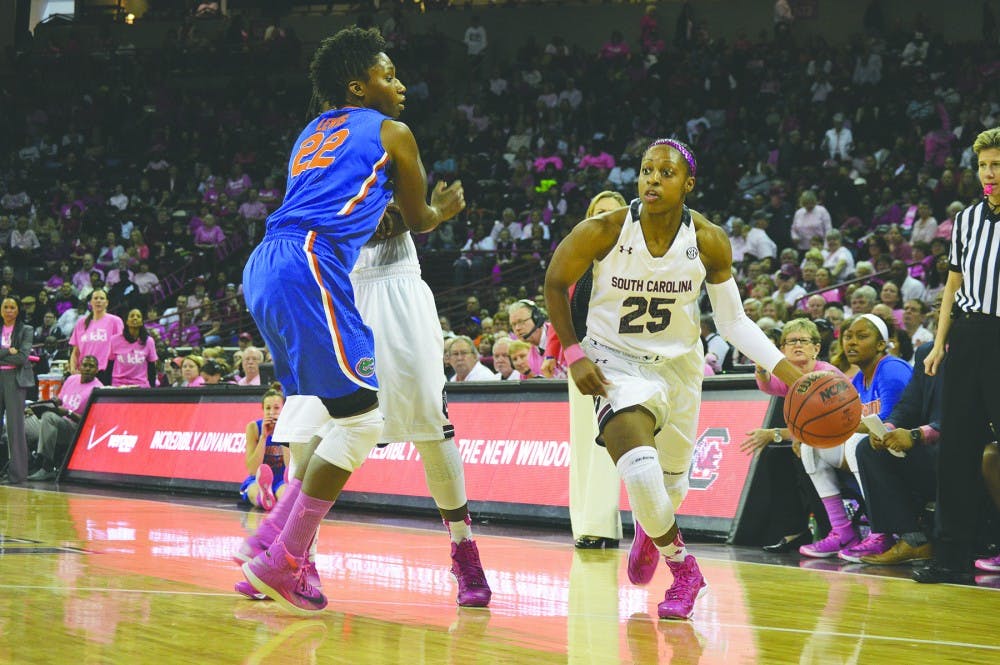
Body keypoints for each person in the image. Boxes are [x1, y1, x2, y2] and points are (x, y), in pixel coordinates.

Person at [236, 28, 467, 613]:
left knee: (339, 416)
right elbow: (420, 219)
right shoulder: (394, 132)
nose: (401, 85)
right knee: (362, 422)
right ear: (359, 85)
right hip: (312, 264)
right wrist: (446, 207)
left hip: (265, 264)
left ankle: (272, 544)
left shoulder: (310, 133)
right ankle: (284, 558)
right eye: (389, 76)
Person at [544, 139, 802, 620]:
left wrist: (788, 371)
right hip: (614, 360)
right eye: (645, 171)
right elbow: (555, 283)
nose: (652, 180)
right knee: (638, 469)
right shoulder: (603, 230)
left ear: (688, 184)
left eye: (665, 173)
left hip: (680, 366)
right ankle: (685, 569)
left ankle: (651, 527)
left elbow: (733, 322)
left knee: (668, 487)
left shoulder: (708, 239)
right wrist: (575, 352)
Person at [349, 200, 491, 605]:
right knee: (317, 430)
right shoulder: (315, 158)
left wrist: (427, 213)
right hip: (345, 293)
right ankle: (296, 551)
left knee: (432, 428)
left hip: (400, 294)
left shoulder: (392, 139)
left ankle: (464, 551)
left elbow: (395, 222)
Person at [917, 127, 1000, 584]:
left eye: (997, 165)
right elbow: (953, 285)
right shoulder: (966, 220)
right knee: (956, 451)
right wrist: (938, 341)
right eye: (984, 165)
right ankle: (950, 556)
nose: (989, 173)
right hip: (967, 338)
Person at [797, 314, 912, 561]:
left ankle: (881, 531)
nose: (851, 343)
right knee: (810, 445)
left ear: (881, 344)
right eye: (848, 336)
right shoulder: (857, 379)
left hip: (906, 447)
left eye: (862, 336)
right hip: (874, 452)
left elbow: (893, 421)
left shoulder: (892, 369)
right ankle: (842, 530)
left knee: (855, 443)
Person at [740, 319, 843, 552]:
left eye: (803, 341)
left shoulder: (825, 374)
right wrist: (761, 365)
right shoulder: (792, 376)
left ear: (816, 348)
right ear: (782, 350)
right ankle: (795, 530)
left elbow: (825, 426)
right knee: (775, 458)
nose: (797, 346)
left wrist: (775, 433)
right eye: (791, 341)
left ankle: (831, 531)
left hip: (837, 441)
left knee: (802, 454)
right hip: (811, 441)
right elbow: (767, 385)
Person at [568, 191, 627, 550]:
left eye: (611, 212)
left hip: (617, 361)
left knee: (608, 441)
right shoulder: (579, 258)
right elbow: (568, 306)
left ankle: (601, 525)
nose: (604, 219)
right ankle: (584, 523)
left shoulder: (634, 260)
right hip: (580, 361)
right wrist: (566, 352)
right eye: (597, 212)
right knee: (582, 448)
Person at [853, 343, 941, 565]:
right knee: (869, 449)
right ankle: (912, 540)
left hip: (962, 444)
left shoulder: (978, 346)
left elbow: (967, 412)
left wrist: (916, 435)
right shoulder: (926, 352)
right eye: (938, 307)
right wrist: (889, 429)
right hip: (930, 445)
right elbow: (909, 403)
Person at [26, 355, 103, 481]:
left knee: (48, 417)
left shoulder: (98, 388)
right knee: (26, 419)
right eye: (85, 365)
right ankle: (26, 462)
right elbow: (61, 400)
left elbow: (90, 422)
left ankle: (47, 466)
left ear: (97, 370)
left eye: (91, 366)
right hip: (59, 421)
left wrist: (68, 412)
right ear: (79, 366)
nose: (87, 369)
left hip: (76, 429)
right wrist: (53, 402)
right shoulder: (72, 379)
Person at [0, 297, 36, 484]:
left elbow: (22, 357)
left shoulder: (26, 330)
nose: (8, 310)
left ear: (17, 310)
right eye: (5, 307)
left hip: (15, 379)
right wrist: (8, 351)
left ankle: (18, 474)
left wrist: (4, 353)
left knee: (15, 427)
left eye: (12, 307)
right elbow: (14, 354)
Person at [240, 385, 288, 511]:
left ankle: (274, 500)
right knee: (253, 492)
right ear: (262, 410)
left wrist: (281, 434)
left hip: (282, 478)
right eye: (268, 408)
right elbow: (253, 470)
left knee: (286, 494)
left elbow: (290, 467)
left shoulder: (290, 428)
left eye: (277, 408)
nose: (272, 412)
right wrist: (263, 437)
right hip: (258, 478)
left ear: (284, 409)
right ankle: (264, 498)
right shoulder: (253, 428)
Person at [68, 289, 124, 385]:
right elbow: (75, 351)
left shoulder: (115, 321)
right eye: (96, 298)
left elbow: (121, 349)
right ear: (90, 302)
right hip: (85, 372)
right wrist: (73, 369)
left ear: (107, 303)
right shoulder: (81, 323)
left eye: (102, 298)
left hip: (106, 372)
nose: (98, 301)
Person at [107, 309, 158, 388]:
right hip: (118, 386)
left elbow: (152, 368)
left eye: (138, 316)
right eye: (132, 316)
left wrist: (152, 389)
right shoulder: (114, 340)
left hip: (140, 386)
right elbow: (109, 366)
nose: (135, 318)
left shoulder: (149, 341)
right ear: (127, 321)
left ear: (141, 322)